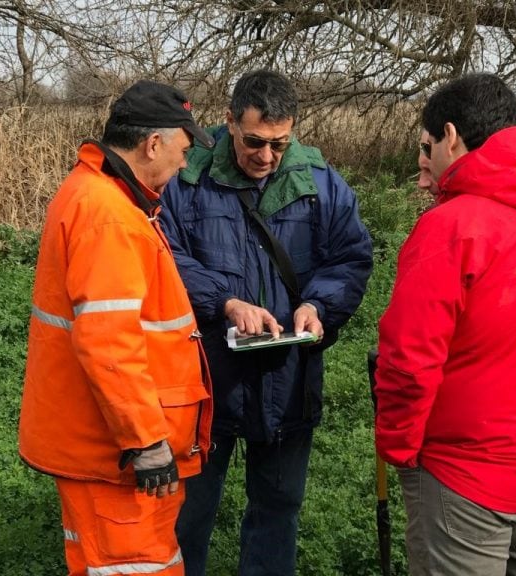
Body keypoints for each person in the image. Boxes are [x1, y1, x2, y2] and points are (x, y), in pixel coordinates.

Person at [374, 73, 516, 576]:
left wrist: (397, 447)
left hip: (462, 476)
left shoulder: (449, 228)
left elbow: (409, 361)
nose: (422, 162)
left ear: (450, 136)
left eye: (426, 145)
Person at [159, 69, 373, 576]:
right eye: (254, 142)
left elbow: (351, 258)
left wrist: (317, 306)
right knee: (188, 515)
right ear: (230, 121)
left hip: (288, 379)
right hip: (205, 379)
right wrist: (226, 303)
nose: (267, 156)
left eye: (280, 143)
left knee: (277, 512)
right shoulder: (187, 179)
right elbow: (162, 257)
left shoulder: (320, 181)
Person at [18, 80, 215, 576]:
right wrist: (148, 444)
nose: (184, 165)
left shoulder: (93, 193)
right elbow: (108, 343)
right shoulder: (110, 216)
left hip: (99, 443)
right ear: (153, 144)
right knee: (139, 565)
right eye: (183, 150)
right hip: (119, 455)